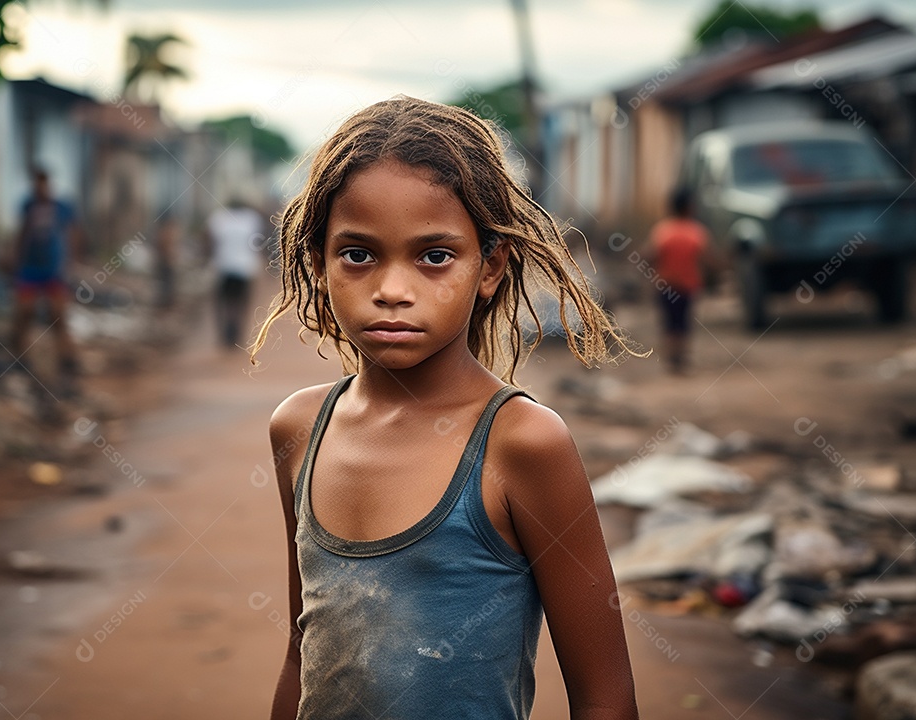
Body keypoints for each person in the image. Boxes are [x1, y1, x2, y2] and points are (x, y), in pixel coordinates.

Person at [250, 96, 640, 720]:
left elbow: (605, 698)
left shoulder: (522, 444)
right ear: (319, 263)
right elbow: (303, 652)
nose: (393, 290)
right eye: (358, 254)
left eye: (434, 256)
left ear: (489, 268)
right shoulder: (299, 428)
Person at [9, 167, 79, 392]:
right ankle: (20, 358)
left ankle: (67, 358)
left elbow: (74, 233)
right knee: (24, 313)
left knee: (58, 316)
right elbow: (22, 232)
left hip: (53, 271)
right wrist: (15, 259)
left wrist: (72, 261)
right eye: (36, 183)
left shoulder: (61, 207)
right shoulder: (28, 206)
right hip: (29, 269)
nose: (40, 187)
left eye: (43, 182)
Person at [646, 188, 710, 374]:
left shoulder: (662, 231)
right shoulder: (696, 232)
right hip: (687, 287)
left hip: (665, 285)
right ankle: (680, 357)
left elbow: (651, 255)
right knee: (683, 322)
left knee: (669, 322)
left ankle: (672, 358)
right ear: (689, 207)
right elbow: (705, 258)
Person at [206, 197, 265, 348]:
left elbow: (210, 243)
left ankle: (225, 333)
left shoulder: (218, 218)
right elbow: (257, 243)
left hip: (224, 266)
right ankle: (237, 332)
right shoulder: (252, 218)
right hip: (245, 267)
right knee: (240, 302)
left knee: (224, 302)